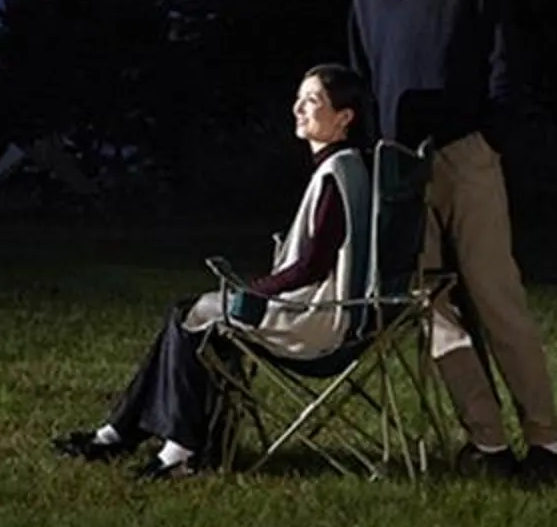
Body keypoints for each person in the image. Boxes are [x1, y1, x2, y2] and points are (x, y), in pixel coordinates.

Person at [349, 0, 557, 482]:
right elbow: (363, 79)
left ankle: (547, 443)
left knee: (496, 297)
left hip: (466, 153)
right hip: (401, 170)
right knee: (427, 306)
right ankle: (489, 442)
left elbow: (502, 54)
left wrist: (492, 136)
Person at [50, 64, 369, 480]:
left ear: (344, 117)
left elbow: (313, 265)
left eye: (312, 101)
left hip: (317, 321)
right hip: (325, 310)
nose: (298, 108)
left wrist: (256, 290)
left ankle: (172, 448)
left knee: (193, 316)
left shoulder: (335, 174)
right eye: (299, 97)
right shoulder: (348, 168)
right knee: (189, 312)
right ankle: (124, 434)